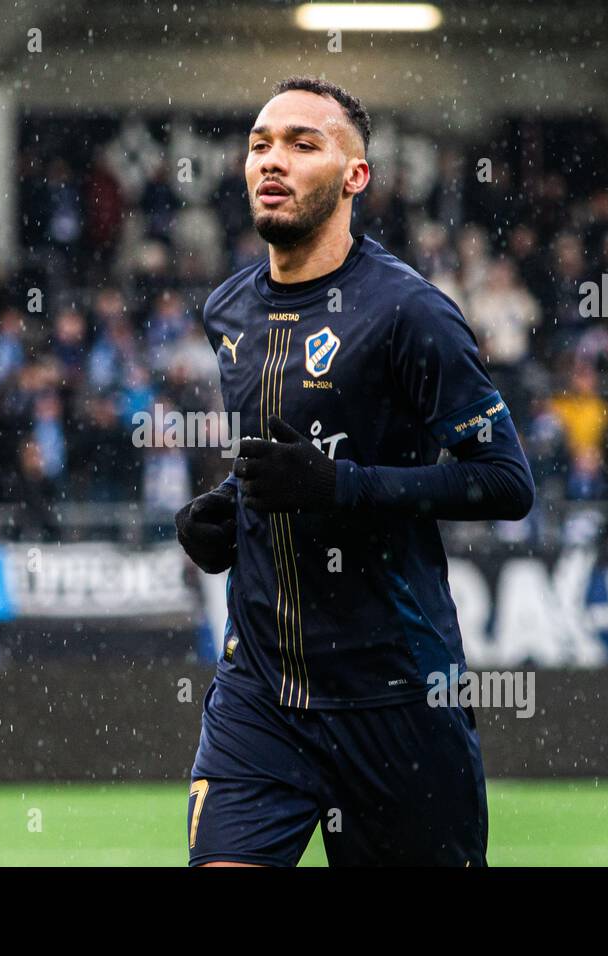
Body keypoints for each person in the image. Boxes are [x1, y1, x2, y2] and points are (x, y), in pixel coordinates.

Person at [177, 77, 534, 867]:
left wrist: (342, 489)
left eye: (304, 144)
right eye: (261, 144)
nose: (273, 160)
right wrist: (226, 513)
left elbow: (507, 481)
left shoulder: (412, 312)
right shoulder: (229, 311)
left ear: (354, 176)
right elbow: (284, 456)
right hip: (259, 695)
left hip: (396, 698)